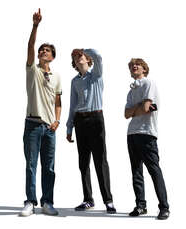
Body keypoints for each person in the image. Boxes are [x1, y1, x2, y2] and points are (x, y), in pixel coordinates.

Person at [19, 8, 62, 217]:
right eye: (41, 50)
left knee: (50, 168)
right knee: (31, 165)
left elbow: (58, 101)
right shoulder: (32, 71)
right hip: (33, 125)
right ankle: (30, 201)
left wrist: (57, 121)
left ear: (53, 57)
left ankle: (48, 202)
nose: (43, 52)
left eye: (47, 50)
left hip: (50, 128)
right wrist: (35, 25)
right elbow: (29, 46)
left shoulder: (56, 77)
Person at [66, 48, 116, 213]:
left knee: (100, 161)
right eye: (75, 57)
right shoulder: (74, 81)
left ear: (87, 59)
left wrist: (83, 50)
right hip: (80, 121)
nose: (78, 58)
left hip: (96, 119)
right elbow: (72, 104)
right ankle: (88, 199)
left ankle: (108, 200)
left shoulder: (96, 75)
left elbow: (99, 57)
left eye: (81, 56)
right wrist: (69, 126)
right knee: (83, 162)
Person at [125, 58, 170, 220]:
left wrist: (137, 109)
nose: (134, 66)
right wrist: (140, 108)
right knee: (136, 172)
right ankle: (140, 205)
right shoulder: (131, 91)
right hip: (132, 134)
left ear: (144, 69)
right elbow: (126, 115)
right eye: (131, 65)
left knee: (154, 170)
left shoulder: (148, 83)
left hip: (147, 133)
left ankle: (164, 207)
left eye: (138, 64)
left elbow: (145, 109)